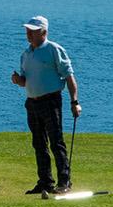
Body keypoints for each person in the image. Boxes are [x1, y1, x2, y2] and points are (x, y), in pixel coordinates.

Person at [10, 16, 80, 195]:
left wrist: (74, 102)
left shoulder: (53, 50)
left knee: (56, 142)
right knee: (39, 143)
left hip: (51, 101)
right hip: (32, 103)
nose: (28, 34)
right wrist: (18, 81)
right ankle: (45, 182)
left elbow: (69, 77)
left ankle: (64, 182)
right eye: (27, 31)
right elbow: (26, 81)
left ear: (43, 32)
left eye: (32, 31)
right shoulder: (26, 54)